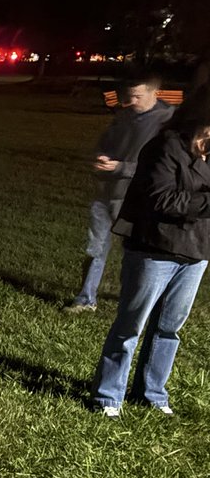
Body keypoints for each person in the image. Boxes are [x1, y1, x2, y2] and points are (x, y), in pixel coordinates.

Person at [90, 91, 210, 417]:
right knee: (131, 325)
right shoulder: (166, 146)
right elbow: (162, 200)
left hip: (197, 252)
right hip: (154, 249)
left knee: (169, 328)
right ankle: (107, 396)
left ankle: (152, 393)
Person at [67, 74, 174, 312]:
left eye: (138, 96)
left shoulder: (167, 122)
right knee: (95, 248)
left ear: (154, 92)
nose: (133, 101)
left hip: (136, 200)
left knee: (135, 254)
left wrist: (122, 167)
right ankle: (86, 299)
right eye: (130, 96)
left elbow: (160, 167)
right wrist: (101, 157)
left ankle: (135, 300)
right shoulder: (124, 115)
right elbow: (106, 142)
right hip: (106, 194)